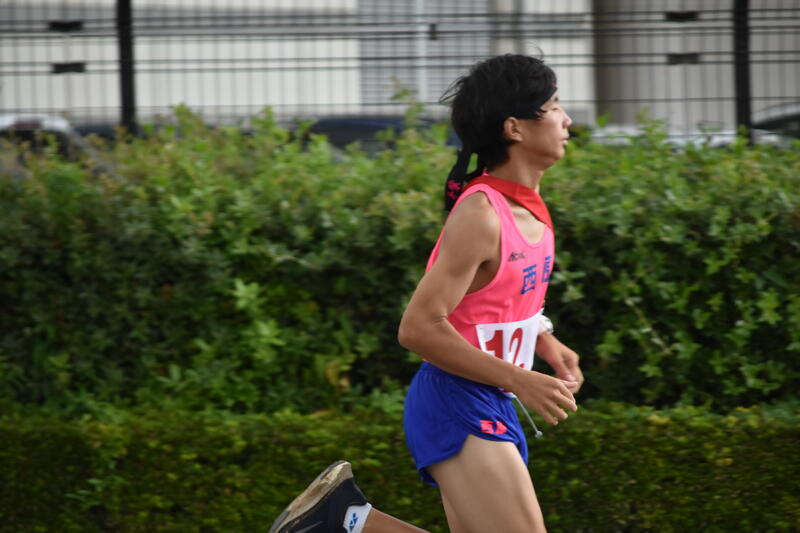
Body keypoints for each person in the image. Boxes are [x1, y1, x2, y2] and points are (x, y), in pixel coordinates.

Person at [269, 53, 584, 533]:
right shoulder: (482, 214)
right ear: (515, 128)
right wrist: (520, 378)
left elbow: (493, 298)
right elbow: (417, 328)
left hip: (489, 398)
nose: (567, 120)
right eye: (555, 106)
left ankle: (346, 521)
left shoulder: (530, 209)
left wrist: (543, 339)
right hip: (458, 400)